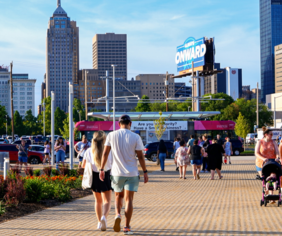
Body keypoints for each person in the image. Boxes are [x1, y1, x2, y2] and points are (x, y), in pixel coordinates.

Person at [99, 115, 149, 235]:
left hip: (116, 173)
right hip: (132, 173)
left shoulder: (111, 135)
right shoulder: (136, 137)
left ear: (118, 124)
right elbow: (141, 156)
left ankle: (117, 214)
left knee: (118, 196)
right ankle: (126, 226)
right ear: (130, 124)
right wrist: (145, 171)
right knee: (129, 199)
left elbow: (105, 153)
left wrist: (101, 169)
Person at [82, 131, 112, 231]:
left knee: (98, 201)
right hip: (106, 175)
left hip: (94, 177)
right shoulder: (109, 151)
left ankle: (99, 222)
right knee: (107, 200)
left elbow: (83, 165)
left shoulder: (89, 151)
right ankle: (104, 217)